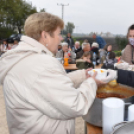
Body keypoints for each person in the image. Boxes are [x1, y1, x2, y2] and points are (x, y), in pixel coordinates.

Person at [0, 12, 104, 134]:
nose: (61, 38)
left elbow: (50, 86)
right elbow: (76, 105)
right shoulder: (42, 64)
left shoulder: (22, 57)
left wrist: (82, 76)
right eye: (59, 33)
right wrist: (92, 82)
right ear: (45, 36)